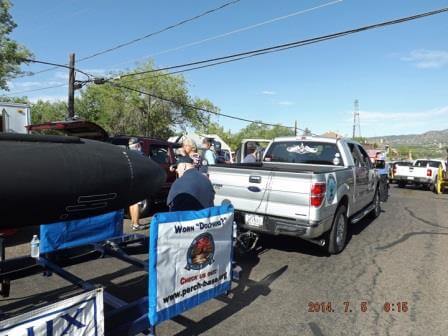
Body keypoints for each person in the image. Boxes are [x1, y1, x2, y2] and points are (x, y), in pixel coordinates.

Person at [128, 137, 145, 230]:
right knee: (137, 203)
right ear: (138, 145)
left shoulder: (128, 154)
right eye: (140, 144)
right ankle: (136, 224)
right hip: (138, 181)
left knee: (132, 202)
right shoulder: (139, 154)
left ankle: (133, 222)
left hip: (131, 181)